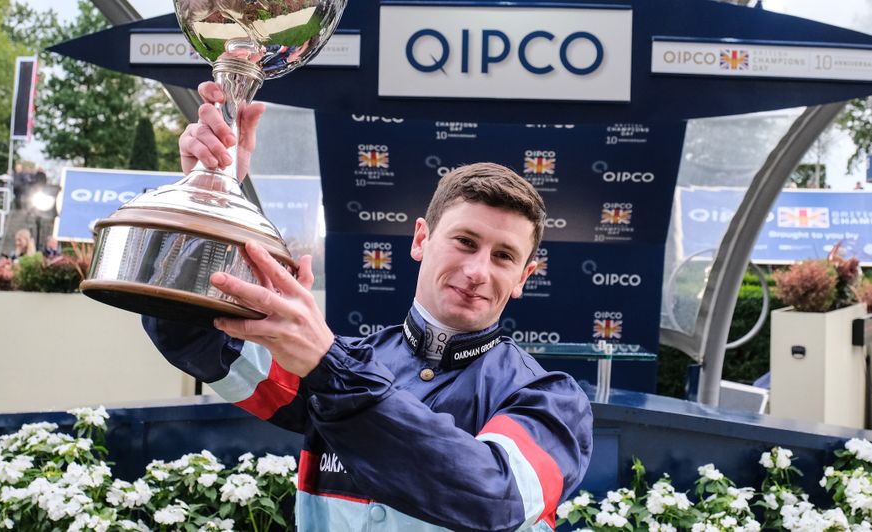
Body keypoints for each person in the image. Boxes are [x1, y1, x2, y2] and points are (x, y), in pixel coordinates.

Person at [143, 83, 593, 531]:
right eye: (465, 242)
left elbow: (495, 497)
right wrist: (206, 202)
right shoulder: (328, 360)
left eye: (503, 256)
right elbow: (195, 336)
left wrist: (329, 367)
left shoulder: (552, 400)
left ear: (523, 278)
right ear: (421, 239)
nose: (478, 270)